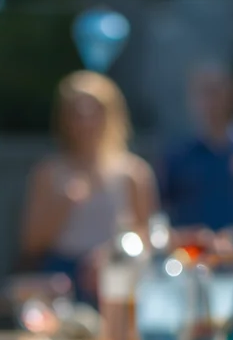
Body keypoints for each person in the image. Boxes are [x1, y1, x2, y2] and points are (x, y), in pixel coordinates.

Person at [20, 71, 157, 289]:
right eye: (76, 113)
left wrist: (111, 254)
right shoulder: (48, 172)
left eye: (95, 111)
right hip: (62, 279)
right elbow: (30, 243)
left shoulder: (134, 173)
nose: (86, 121)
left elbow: (148, 238)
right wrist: (63, 205)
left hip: (116, 274)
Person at [159, 65, 233, 256]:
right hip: (190, 263)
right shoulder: (177, 154)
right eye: (204, 92)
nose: (211, 101)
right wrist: (192, 237)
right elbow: (160, 216)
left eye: (216, 91)